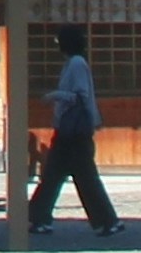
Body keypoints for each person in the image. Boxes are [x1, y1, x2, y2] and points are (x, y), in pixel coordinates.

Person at [23, 41, 119, 239]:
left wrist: (54, 95)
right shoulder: (74, 64)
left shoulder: (76, 64)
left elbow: (79, 95)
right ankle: (40, 217)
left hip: (73, 132)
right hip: (70, 131)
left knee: (77, 177)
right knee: (58, 175)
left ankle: (107, 220)